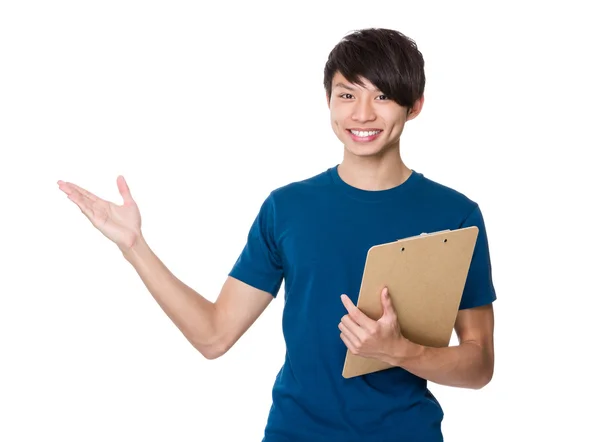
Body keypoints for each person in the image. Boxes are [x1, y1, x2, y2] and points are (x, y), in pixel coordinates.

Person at [58, 27, 496, 442]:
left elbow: (479, 365)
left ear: (414, 105)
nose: (362, 114)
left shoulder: (455, 215)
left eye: (381, 96)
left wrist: (400, 351)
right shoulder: (287, 209)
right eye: (347, 95)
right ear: (328, 101)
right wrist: (136, 248)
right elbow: (213, 336)